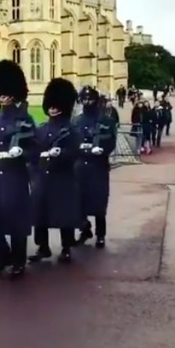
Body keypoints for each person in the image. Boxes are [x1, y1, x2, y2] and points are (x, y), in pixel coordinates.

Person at [0, 60, 39, 280]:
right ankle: (4, 256)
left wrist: (21, 153)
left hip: (15, 176)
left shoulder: (25, 120)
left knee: (16, 221)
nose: (2, 97)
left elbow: (34, 150)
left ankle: (18, 261)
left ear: (13, 94)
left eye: (6, 93)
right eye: (0, 93)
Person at [29, 78, 83, 264]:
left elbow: (75, 151)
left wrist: (60, 154)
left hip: (62, 178)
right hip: (42, 177)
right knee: (40, 215)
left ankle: (66, 247)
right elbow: (34, 149)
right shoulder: (41, 128)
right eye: (50, 105)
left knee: (64, 215)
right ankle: (43, 247)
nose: (52, 108)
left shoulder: (70, 129)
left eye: (55, 105)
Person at [74, 85, 118, 248]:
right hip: (80, 166)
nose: (87, 102)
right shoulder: (76, 121)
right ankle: (84, 229)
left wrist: (103, 150)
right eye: (84, 99)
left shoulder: (106, 120)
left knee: (99, 202)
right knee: (79, 201)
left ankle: (101, 234)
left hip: (98, 165)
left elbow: (111, 140)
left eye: (90, 99)